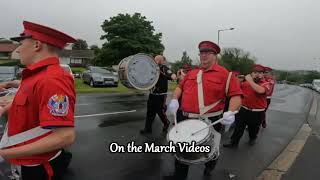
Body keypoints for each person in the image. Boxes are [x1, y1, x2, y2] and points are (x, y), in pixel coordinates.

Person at [0, 21, 77, 180]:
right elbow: (27, 103)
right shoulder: (35, 76)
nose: (19, 49)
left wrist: (4, 153)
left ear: (36, 45)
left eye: (21, 44)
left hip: (37, 168)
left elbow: (65, 136)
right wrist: (6, 108)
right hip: (24, 162)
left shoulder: (52, 80)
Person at [166, 40, 242, 179]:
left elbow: (236, 96)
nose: (203, 55)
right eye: (201, 52)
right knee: (181, 149)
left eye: (208, 52)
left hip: (211, 120)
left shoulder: (226, 75)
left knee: (211, 150)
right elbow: (179, 87)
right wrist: (175, 99)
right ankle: (179, 176)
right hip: (186, 118)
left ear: (215, 55)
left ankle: (208, 172)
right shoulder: (192, 73)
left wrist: (230, 112)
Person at [224, 64, 271, 148]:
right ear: (251, 74)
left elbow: (260, 90)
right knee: (238, 128)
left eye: (260, 72)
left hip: (257, 112)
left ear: (263, 74)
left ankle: (252, 138)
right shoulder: (246, 83)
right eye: (255, 72)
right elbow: (236, 91)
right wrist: (237, 80)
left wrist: (250, 81)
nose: (257, 74)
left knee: (253, 129)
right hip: (244, 109)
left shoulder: (266, 83)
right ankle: (233, 143)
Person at [140, 55, 177, 135]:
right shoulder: (151, 68)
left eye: (158, 59)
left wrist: (172, 76)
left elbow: (171, 75)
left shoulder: (164, 68)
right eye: (155, 59)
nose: (156, 60)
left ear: (162, 61)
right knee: (150, 112)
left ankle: (166, 122)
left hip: (161, 95)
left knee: (160, 111)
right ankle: (147, 128)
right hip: (152, 93)